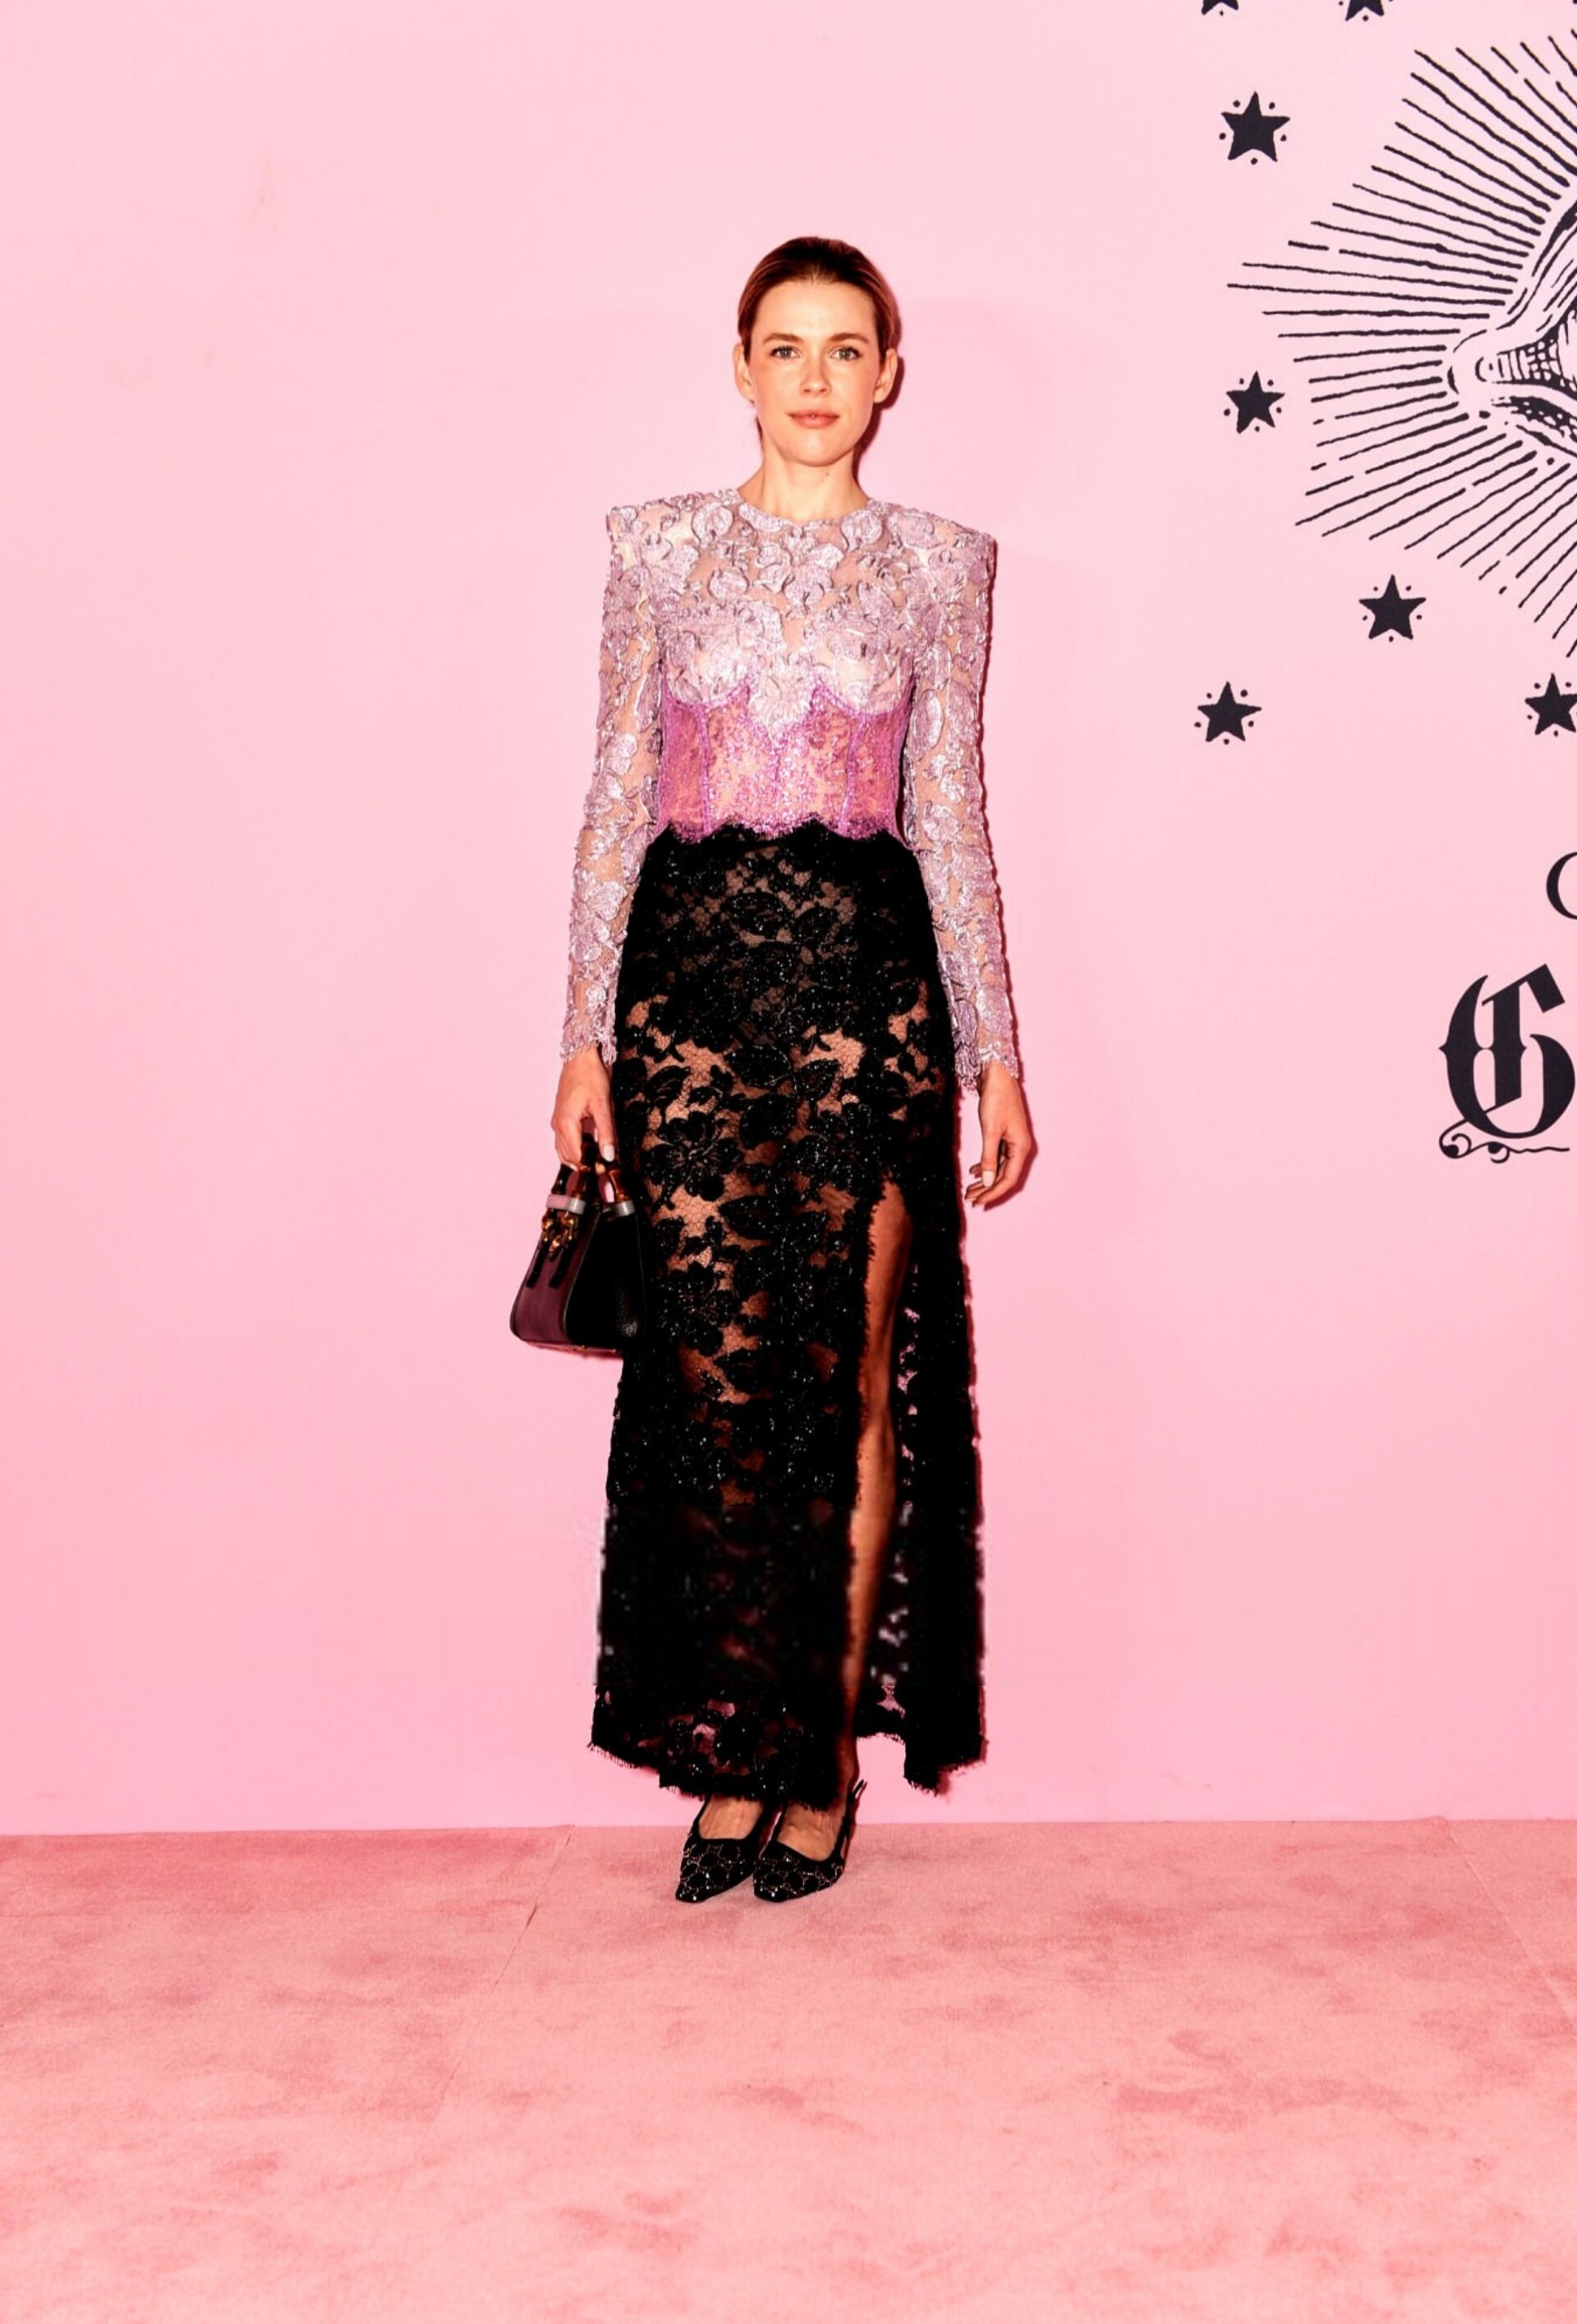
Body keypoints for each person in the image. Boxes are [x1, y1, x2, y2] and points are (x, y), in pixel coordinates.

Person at [551, 235, 1030, 1905]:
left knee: (852, 1373)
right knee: (710, 1380)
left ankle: (815, 1756)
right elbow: (616, 794)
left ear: (888, 374)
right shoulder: (656, 544)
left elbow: (950, 816)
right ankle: (737, 1740)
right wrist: (580, 1034)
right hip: (686, 998)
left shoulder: (943, 565)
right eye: (785, 347)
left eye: (846, 349)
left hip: (866, 996)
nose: (816, 379)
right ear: (740, 366)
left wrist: (995, 1056)